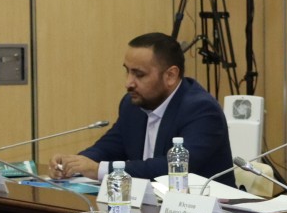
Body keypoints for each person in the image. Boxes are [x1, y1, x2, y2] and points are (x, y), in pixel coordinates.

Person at [49, 32, 233, 181]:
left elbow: (172, 167)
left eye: (139, 74)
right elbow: (109, 147)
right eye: (127, 72)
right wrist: (73, 163)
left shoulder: (201, 110)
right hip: (149, 207)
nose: (128, 83)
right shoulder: (132, 104)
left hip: (203, 211)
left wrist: (99, 169)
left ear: (170, 76)